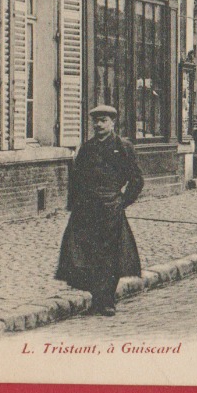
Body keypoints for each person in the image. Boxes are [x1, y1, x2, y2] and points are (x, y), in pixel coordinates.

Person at [56, 105, 144, 317]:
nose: (98, 125)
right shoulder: (87, 148)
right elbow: (76, 179)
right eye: (95, 121)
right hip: (87, 209)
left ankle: (108, 301)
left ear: (113, 123)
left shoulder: (123, 147)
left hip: (110, 208)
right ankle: (97, 300)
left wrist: (122, 202)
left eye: (103, 120)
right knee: (87, 253)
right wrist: (75, 205)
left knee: (109, 255)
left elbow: (137, 180)